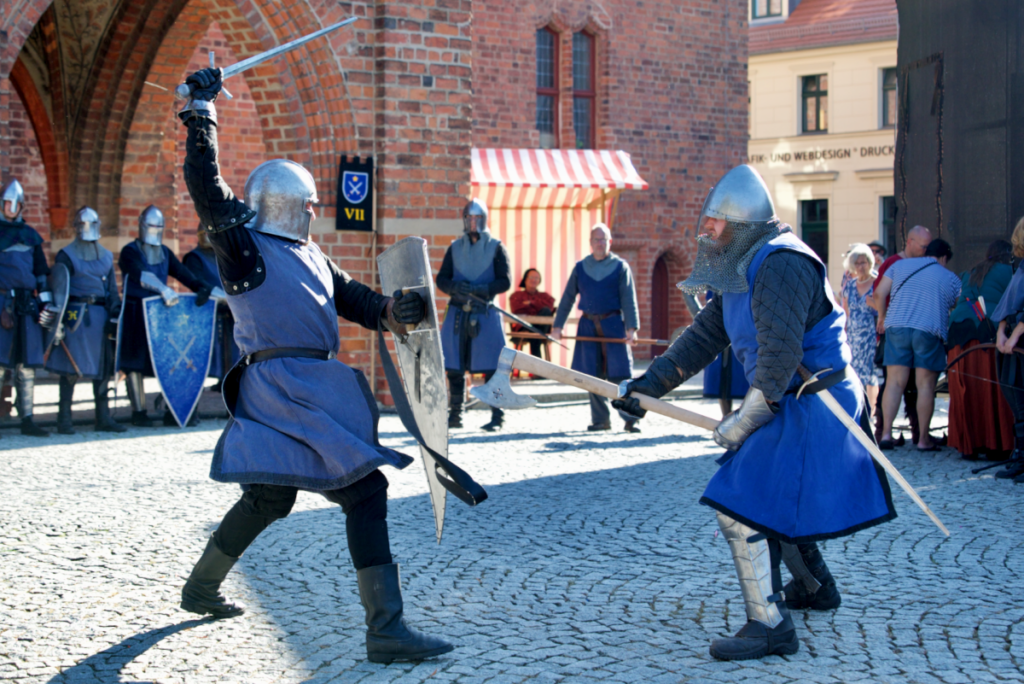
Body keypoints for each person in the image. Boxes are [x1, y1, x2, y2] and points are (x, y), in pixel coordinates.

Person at [175, 68, 453, 664]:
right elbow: (206, 186)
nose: (315, 210)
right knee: (366, 491)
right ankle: (387, 630)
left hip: (301, 389)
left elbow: (355, 299)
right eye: (311, 204)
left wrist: (396, 310)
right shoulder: (242, 248)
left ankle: (199, 590)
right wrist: (202, 112)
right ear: (297, 204)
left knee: (267, 500)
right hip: (282, 387)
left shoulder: (312, 254)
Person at [612, 164, 894, 661]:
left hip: (816, 402)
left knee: (740, 503)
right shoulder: (744, 264)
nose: (707, 232)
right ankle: (812, 587)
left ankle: (769, 626)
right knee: (769, 497)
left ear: (742, 222)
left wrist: (741, 424)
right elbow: (703, 337)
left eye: (716, 224)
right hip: (793, 399)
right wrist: (647, 386)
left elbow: (780, 359)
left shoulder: (782, 263)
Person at [117, 205, 213, 427]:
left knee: (167, 363)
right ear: (141, 225)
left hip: (160, 317)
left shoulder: (164, 253)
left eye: (157, 226)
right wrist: (163, 289)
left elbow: (182, 273)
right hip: (135, 313)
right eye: (150, 225)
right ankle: (138, 411)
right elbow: (141, 274)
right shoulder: (130, 252)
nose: (153, 229)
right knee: (134, 364)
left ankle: (173, 408)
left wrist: (200, 287)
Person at [552, 224, 641, 433]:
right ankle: (601, 420)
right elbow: (567, 299)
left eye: (604, 240)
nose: (600, 243)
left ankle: (629, 418)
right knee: (592, 377)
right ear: (590, 243)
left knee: (620, 376)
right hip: (588, 327)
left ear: (609, 242)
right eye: (596, 240)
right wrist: (558, 326)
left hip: (613, 326)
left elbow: (628, 299)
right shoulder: (581, 267)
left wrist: (631, 329)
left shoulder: (620, 267)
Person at [874, 239, 961, 451]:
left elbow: (878, 293)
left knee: (894, 383)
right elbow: (956, 304)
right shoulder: (950, 277)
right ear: (943, 258)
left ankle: (886, 435)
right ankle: (923, 439)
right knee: (925, 386)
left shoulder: (899, 266)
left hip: (897, 327)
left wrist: (882, 317)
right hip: (928, 330)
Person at [46, 207, 127, 434]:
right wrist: (58, 322)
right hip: (76, 316)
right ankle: (64, 420)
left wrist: (116, 312)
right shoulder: (66, 255)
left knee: (102, 370)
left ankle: (103, 418)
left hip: (100, 317)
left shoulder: (106, 255)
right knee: (70, 369)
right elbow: (59, 290)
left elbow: (111, 290)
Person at [437, 199, 511, 431]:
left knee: (492, 368)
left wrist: (483, 289)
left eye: (477, 218)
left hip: (485, 312)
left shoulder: (497, 247)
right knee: (454, 367)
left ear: (484, 219)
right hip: (458, 313)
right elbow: (442, 278)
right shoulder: (455, 248)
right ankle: (455, 414)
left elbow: (505, 281)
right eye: (469, 218)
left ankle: (497, 417)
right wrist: (453, 289)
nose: (472, 222)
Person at [946, 239, 1014, 460]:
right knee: (991, 389)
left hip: (958, 332)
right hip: (987, 333)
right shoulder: (1008, 271)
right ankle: (996, 445)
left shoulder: (971, 271)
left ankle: (970, 445)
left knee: (966, 388)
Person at [871, 225, 933, 443]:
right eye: (923, 246)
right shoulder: (894, 263)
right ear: (910, 241)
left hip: (915, 328)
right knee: (894, 382)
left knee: (914, 384)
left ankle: (918, 433)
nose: (926, 250)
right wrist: (882, 317)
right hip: (897, 328)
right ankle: (883, 433)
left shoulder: (924, 263)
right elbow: (877, 294)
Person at [0, 178, 51, 437]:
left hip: (26, 305)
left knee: (26, 366)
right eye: (7, 202)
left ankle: (27, 419)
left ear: (21, 206)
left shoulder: (30, 236)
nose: (11, 207)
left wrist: (46, 303)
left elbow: (41, 273)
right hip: (2, 302)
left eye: (15, 203)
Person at [989, 218, 1024, 482]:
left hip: (1020, 340)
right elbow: (1008, 302)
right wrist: (1002, 331)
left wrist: (1015, 335)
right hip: (1015, 340)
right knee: (1015, 397)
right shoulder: (1020, 266)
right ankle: (1020, 456)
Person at [184, 226, 239, 390]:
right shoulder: (194, 258)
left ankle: (227, 379)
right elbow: (199, 283)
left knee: (232, 351)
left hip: (230, 311)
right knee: (210, 353)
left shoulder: (223, 256)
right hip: (207, 312)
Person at [840, 243, 880, 414]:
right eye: (857, 263)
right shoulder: (850, 285)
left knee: (871, 374)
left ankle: (872, 409)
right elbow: (846, 310)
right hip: (854, 336)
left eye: (863, 262)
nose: (860, 266)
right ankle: (858, 409)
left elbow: (884, 308)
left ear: (870, 262)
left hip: (871, 335)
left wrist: (875, 304)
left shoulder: (877, 281)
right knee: (854, 373)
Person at [509, 268, 556, 359]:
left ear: (539, 281)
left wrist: (531, 303)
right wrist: (538, 305)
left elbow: (549, 308)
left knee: (545, 311)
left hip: (540, 329)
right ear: (525, 279)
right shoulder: (516, 295)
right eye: (531, 277)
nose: (534, 280)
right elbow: (516, 309)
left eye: (537, 278)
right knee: (537, 333)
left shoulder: (545, 296)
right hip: (524, 327)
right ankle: (539, 370)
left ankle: (537, 369)